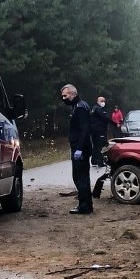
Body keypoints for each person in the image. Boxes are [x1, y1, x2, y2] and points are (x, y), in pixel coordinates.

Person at [60, 84, 93, 214]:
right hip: (79, 146)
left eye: (65, 95)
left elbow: (85, 129)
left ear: (73, 94)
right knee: (81, 176)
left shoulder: (80, 108)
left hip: (81, 148)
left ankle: (84, 206)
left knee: (80, 177)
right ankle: (85, 204)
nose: (63, 98)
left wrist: (79, 148)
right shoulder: (78, 106)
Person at [90, 96, 112, 167]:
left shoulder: (94, 108)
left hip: (94, 131)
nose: (103, 102)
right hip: (100, 131)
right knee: (101, 146)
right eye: (102, 101)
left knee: (95, 146)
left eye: (104, 101)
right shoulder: (99, 109)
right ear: (97, 101)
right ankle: (100, 162)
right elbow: (105, 118)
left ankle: (94, 161)